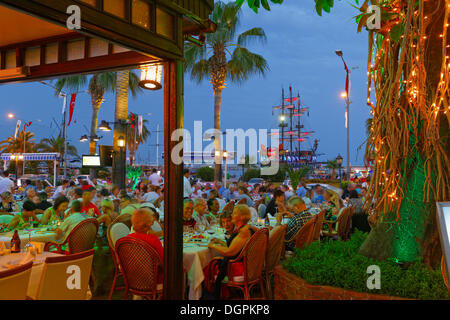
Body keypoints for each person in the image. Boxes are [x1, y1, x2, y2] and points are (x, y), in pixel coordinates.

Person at [208, 204, 255, 299]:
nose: (232, 215)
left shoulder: (243, 232)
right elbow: (235, 247)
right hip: (246, 263)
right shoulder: (247, 227)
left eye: (234, 213)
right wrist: (220, 242)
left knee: (209, 265)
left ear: (241, 217)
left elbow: (229, 252)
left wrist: (212, 245)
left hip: (238, 267)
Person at [126, 209, 164, 284]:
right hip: (154, 281)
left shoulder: (126, 240)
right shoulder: (153, 240)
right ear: (148, 224)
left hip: (134, 281)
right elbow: (163, 263)